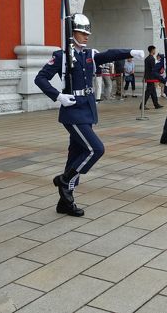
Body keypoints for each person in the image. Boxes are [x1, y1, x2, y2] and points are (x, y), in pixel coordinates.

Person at [35, 13, 144, 216]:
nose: (86, 36)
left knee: (76, 154)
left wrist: (129, 51)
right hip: (73, 110)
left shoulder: (89, 54)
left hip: (87, 109)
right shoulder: (62, 56)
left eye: (87, 33)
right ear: (72, 32)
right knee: (95, 149)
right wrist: (58, 96)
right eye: (81, 33)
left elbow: (109, 54)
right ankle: (65, 180)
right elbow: (40, 79)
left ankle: (65, 201)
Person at [141, 45, 162, 109]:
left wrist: (144, 77)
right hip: (151, 78)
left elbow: (146, 69)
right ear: (152, 50)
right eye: (154, 50)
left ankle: (156, 104)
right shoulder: (152, 59)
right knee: (148, 92)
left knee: (153, 91)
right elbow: (154, 69)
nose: (155, 51)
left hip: (148, 77)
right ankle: (142, 105)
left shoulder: (147, 58)